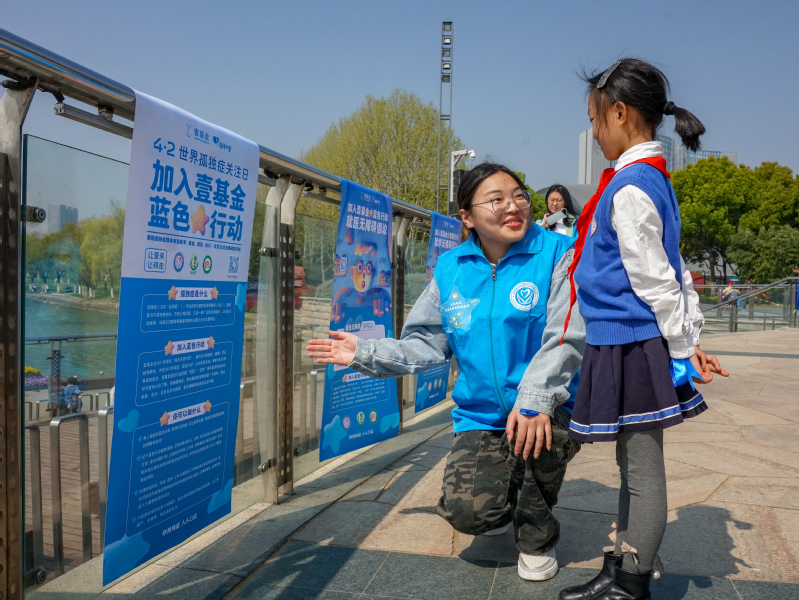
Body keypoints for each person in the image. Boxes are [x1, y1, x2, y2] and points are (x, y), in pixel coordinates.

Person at [308, 162, 585, 582]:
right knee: (468, 513)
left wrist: (535, 400)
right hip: (481, 415)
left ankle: (537, 536)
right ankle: (503, 497)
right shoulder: (451, 269)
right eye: (496, 200)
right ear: (467, 216)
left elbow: (566, 335)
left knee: (536, 442)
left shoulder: (559, 253)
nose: (513, 207)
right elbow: (426, 344)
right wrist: (363, 351)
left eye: (519, 196)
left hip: (550, 405)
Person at [558, 59, 729, 600]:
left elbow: (657, 280)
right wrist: (689, 340)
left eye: (594, 119)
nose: (593, 132)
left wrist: (684, 344)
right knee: (631, 465)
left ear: (619, 113)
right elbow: (674, 270)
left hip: (631, 344)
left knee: (642, 469)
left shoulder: (631, 187)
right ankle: (621, 568)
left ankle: (632, 582)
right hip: (621, 340)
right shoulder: (649, 179)